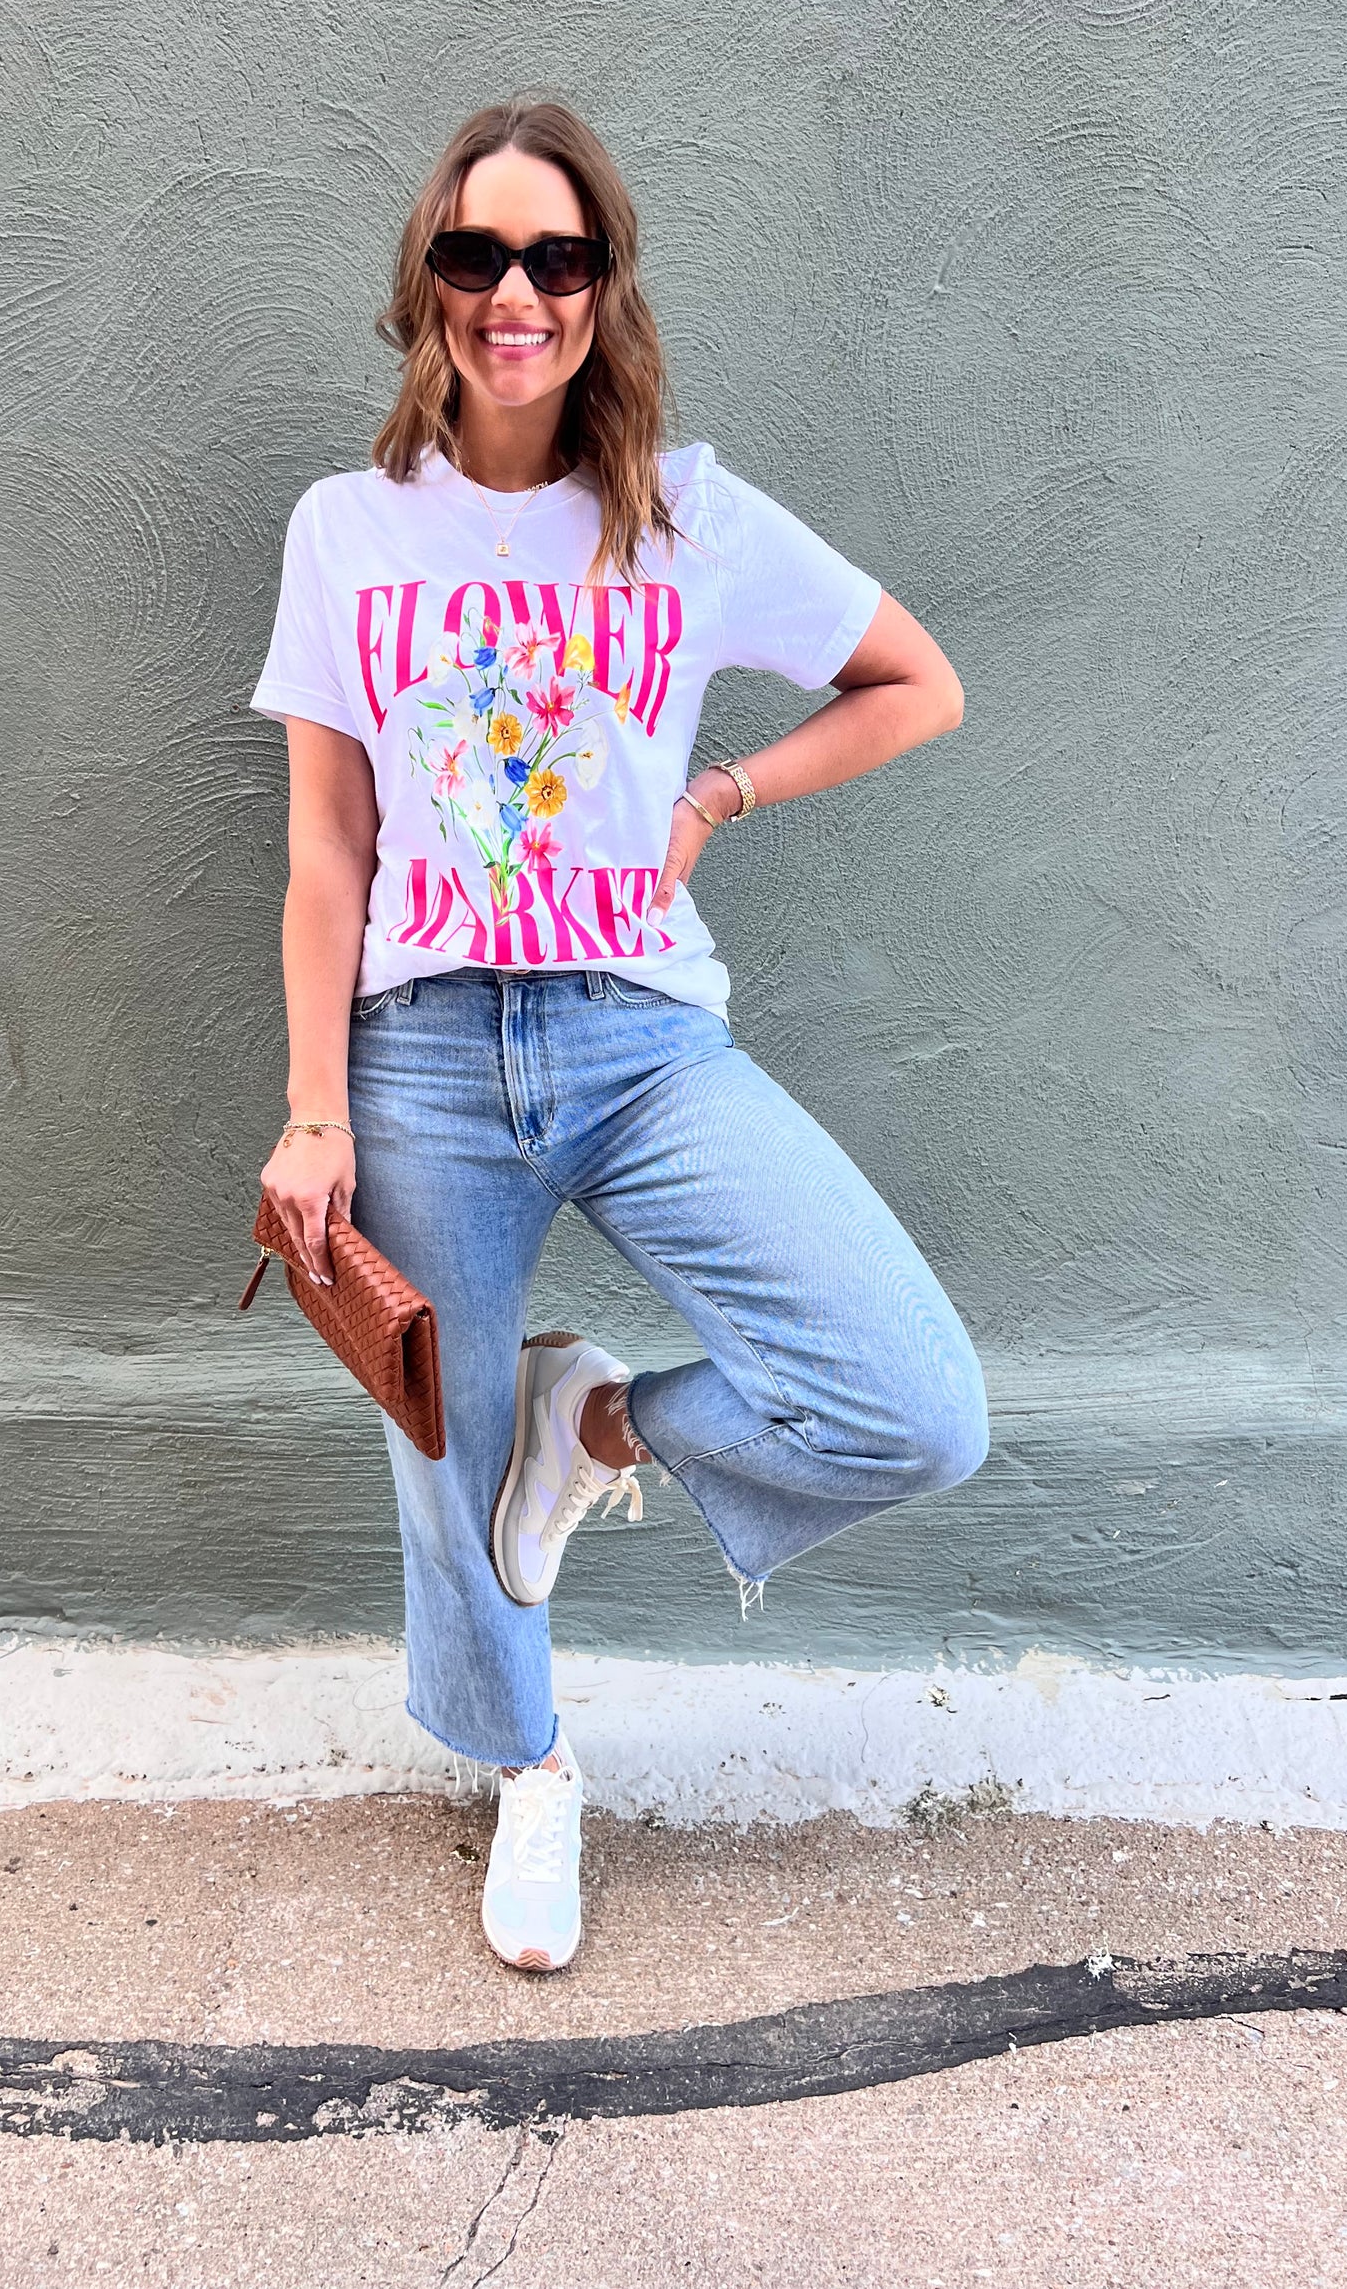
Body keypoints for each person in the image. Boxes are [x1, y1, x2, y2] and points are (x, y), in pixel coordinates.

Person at [249, 98, 988, 1973]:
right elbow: (328, 846)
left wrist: (722, 793)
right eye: (476, 254)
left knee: (909, 1403)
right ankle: (531, 1770)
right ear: (427, 281)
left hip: (640, 1037)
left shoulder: (686, 514)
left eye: (555, 258)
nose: (515, 293)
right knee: (446, 1463)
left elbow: (915, 683)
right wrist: (316, 1110)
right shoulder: (347, 531)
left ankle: (592, 1422)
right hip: (420, 1051)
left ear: (601, 288)